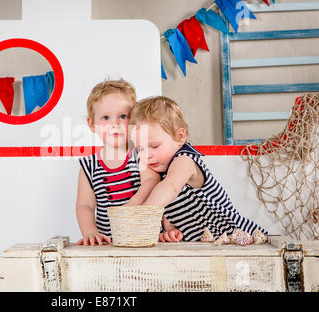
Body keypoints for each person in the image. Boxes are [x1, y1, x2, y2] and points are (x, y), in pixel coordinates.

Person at [129, 96, 268, 242]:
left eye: (154, 146)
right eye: (140, 149)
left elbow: (171, 187)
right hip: (206, 248)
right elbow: (168, 215)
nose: (146, 155)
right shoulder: (161, 178)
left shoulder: (185, 160)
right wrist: (170, 232)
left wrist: (142, 214)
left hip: (237, 238)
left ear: (180, 137)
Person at [76, 79, 160, 246]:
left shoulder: (140, 153)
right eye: (106, 117)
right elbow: (84, 205)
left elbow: (152, 181)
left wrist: (132, 205)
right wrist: (90, 231)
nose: (115, 124)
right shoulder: (89, 165)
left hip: (146, 238)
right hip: (109, 242)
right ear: (92, 124)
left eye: (123, 116)